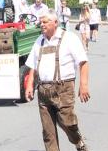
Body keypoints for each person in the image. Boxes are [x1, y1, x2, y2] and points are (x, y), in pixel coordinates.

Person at [25, 9, 90, 151]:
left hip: (63, 89)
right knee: (48, 132)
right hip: (43, 91)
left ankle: (78, 141)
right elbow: (33, 66)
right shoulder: (39, 41)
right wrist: (30, 85)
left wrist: (83, 85)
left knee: (67, 123)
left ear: (55, 22)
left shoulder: (69, 38)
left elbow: (83, 62)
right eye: (40, 22)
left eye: (45, 22)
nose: (42, 25)